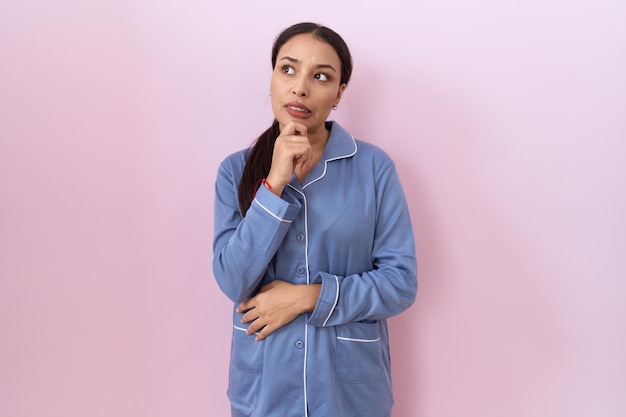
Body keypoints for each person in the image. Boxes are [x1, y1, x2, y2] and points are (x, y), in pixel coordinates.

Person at [212, 22, 417, 417]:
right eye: (288, 69)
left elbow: (401, 283)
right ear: (272, 77)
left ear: (339, 93)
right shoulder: (234, 171)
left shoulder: (374, 169)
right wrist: (273, 185)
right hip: (263, 392)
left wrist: (307, 298)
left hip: (348, 396)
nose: (300, 87)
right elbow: (232, 279)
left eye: (321, 76)